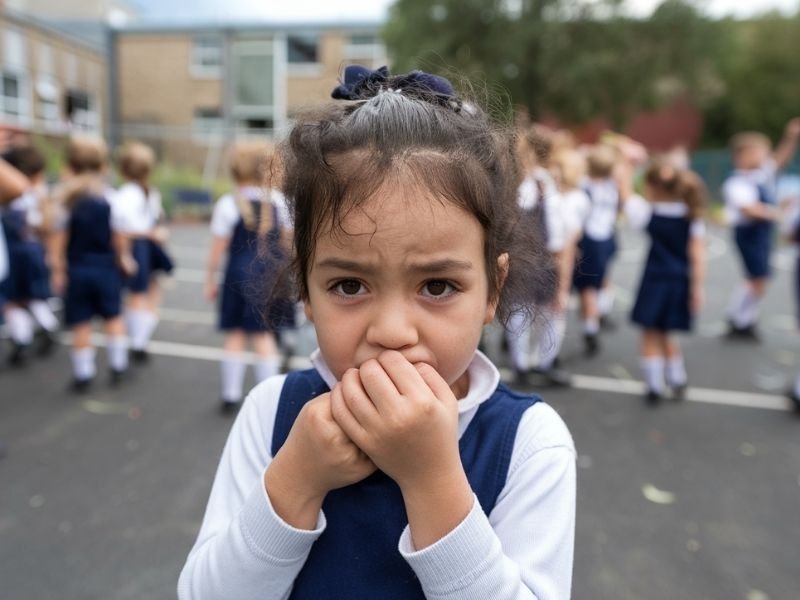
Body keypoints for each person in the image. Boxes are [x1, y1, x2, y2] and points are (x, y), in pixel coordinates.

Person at [179, 65, 576, 599]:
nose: (391, 332)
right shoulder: (272, 412)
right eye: (348, 285)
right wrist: (296, 479)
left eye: (437, 286)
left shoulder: (530, 442)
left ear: (493, 290)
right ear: (305, 289)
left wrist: (431, 479)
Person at [204, 140, 291, 414]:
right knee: (264, 336)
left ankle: (230, 395)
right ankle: (270, 400)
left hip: (236, 276)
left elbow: (217, 251)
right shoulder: (279, 202)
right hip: (269, 276)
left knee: (235, 335)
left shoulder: (228, 204)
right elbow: (289, 246)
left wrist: (210, 280)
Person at [49, 136, 135, 392]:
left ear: (71, 166)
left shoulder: (65, 200)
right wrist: (125, 260)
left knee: (81, 322)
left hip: (77, 270)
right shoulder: (112, 199)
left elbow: (58, 243)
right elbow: (120, 239)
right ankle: (118, 366)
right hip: (105, 269)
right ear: (102, 166)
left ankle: (83, 374)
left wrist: (57, 270)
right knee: (113, 317)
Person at [626, 159, 706, 405]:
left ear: (652, 187)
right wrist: (697, 288)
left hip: (654, 279)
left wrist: (629, 164)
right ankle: (677, 378)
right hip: (680, 280)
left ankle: (654, 386)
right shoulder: (691, 217)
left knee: (650, 333)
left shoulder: (647, 213)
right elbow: (697, 256)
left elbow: (626, 192)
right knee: (667, 332)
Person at [505, 125, 571, 387]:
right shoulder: (527, 183)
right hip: (530, 257)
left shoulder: (543, 181)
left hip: (538, 257)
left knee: (544, 313)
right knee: (523, 313)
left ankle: (537, 364)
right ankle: (526, 365)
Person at [723, 118, 800, 341]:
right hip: (749, 234)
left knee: (758, 278)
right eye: (759, 152)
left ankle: (743, 317)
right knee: (757, 278)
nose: (765, 157)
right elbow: (750, 210)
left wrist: (791, 136)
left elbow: (781, 159)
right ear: (742, 155)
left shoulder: (759, 175)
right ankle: (739, 318)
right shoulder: (736, 182)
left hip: (761, 234)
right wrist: (779, 212)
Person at [113, 141, 173, 363]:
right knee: (147, 291)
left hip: (136, 246)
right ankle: (140, 340)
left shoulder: (127, 193)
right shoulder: (144, 192)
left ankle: (138, 339)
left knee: (138, 294)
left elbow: (121, 226)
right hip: (143, 245)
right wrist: (154, 232)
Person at [0, 144, 60, 364]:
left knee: (11, 299)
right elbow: (46, 225)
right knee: (33, 295)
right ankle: (47, 326)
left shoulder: (11, 194)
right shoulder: (39, 193)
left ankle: (22, 338)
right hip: (33, 250)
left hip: (14, 252)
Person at [573, 144, 622, 356]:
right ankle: (599, 314)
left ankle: (591, 328)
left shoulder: (584, 187)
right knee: (601, 281)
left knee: (587, 288)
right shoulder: (612, 186)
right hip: (607, 237)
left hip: (589, 240)